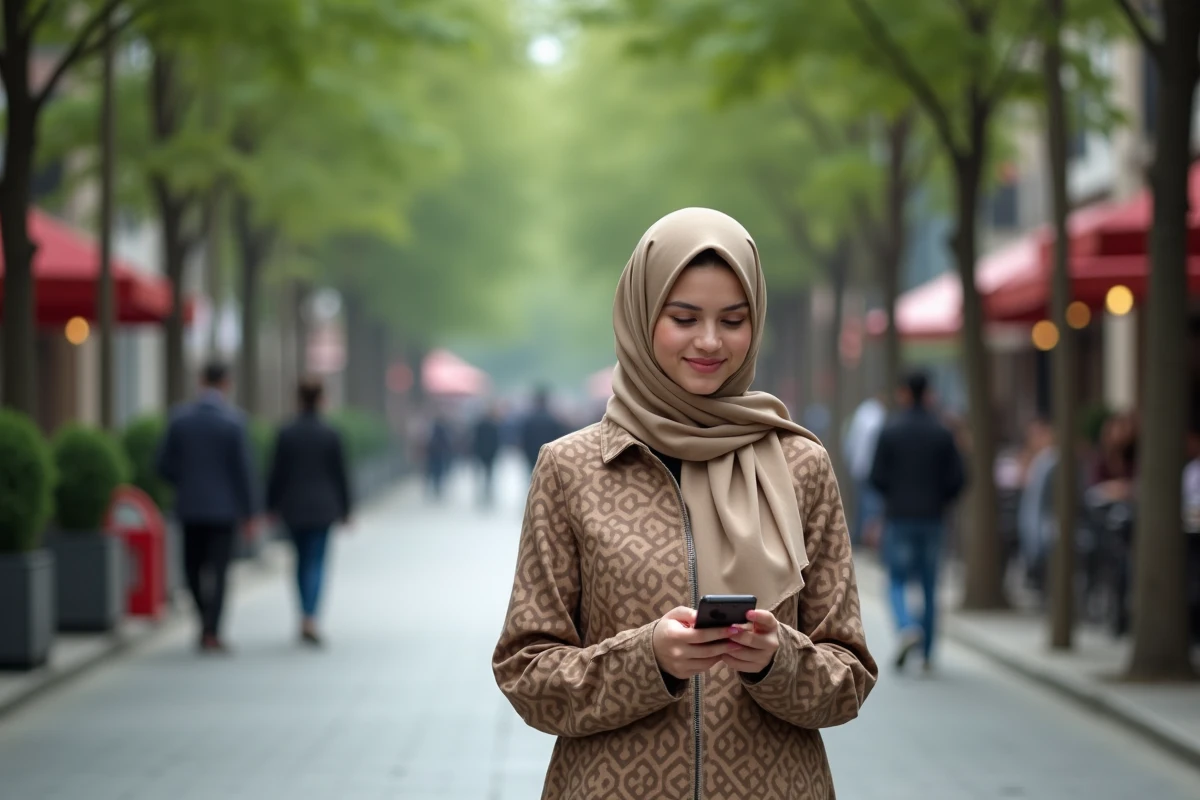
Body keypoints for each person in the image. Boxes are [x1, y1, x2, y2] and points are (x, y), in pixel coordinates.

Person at [493, 208, 877, 800]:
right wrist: (649, 658)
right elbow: (526, 671)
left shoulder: (800, 465)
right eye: (683, 318)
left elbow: (848, 677)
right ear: (643, 316)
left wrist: (778, 660)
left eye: (733, 319)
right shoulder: (572, 469)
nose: (709, 341)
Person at [156, 362, 258, 654]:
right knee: (221, 572)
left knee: (192, 568)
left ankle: (203, 621)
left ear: (201, 381)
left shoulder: (179, 420)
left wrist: (185, 482)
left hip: (190, 508)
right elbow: (244, 472)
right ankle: (212, 630)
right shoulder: (234, 422)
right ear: (227, 383)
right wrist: (250, 513)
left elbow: (162, 465)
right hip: (225, 512)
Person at [870, 370, 965, 672]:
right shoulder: (942, 432)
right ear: (927, 394)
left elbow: (876, 477)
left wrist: (893, 496)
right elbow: (959, 478)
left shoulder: (891, 431)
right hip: (934, 519)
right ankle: (926, 654)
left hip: (899, 517)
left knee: (896, 580)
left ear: (903, 394)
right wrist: (941, 499)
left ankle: (906, 626)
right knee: (928, 585)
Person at [266, 377, 352, 647]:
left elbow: (276, 473)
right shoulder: (330, 433)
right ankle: (310, 617)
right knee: (316, 561)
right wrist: (346, 508)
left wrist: (269, 505)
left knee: (301, 561)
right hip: (324, 508)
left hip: (293, 507)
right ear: (322, 399)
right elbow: (341, 475)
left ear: (299, 399)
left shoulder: (286, 432)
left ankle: (303, 614)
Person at [844, 391, 887, 547]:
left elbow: (851, 442)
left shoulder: (862, 413)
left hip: (859, 467)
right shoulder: (877, 416)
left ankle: (860, 537)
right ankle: (869, 539)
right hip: (870, 468)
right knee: (871, 506)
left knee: (862, 504)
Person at [518, 385, 567, 474]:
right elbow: (559, 437)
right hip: (548, 452)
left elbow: (524, 437)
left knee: (533, 474)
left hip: (532, 453)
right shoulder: (553, 419)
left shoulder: (529, 419)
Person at [470, 403, 502, 507]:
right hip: (490, 452)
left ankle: (482, 492)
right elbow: (496, 440)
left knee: (481, 473)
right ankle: (487, 491)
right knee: (489, 473)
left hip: (481, 452)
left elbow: (476, 439)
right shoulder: (494, 425)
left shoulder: (480, 425)